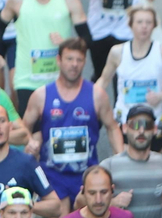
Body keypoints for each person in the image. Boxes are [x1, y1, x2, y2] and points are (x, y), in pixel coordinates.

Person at [22, 38, 120, 204]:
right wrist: (30, 143)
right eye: (69, 59)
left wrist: (119, 160)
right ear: (59, 60)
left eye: (79, 60)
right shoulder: (41, 95)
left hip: (86, 175)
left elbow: (112, 127)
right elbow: (23, 128)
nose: (74, 64)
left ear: (84, 62)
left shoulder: (97, 95)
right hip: (52, 174)